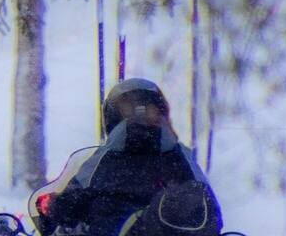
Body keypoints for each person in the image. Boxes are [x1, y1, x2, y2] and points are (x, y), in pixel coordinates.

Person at [32, 78, 223, 236]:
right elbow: (211, 210)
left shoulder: (103, 159)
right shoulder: (180, 156)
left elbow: (68, 204)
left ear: (112, 116)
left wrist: (51, 205)